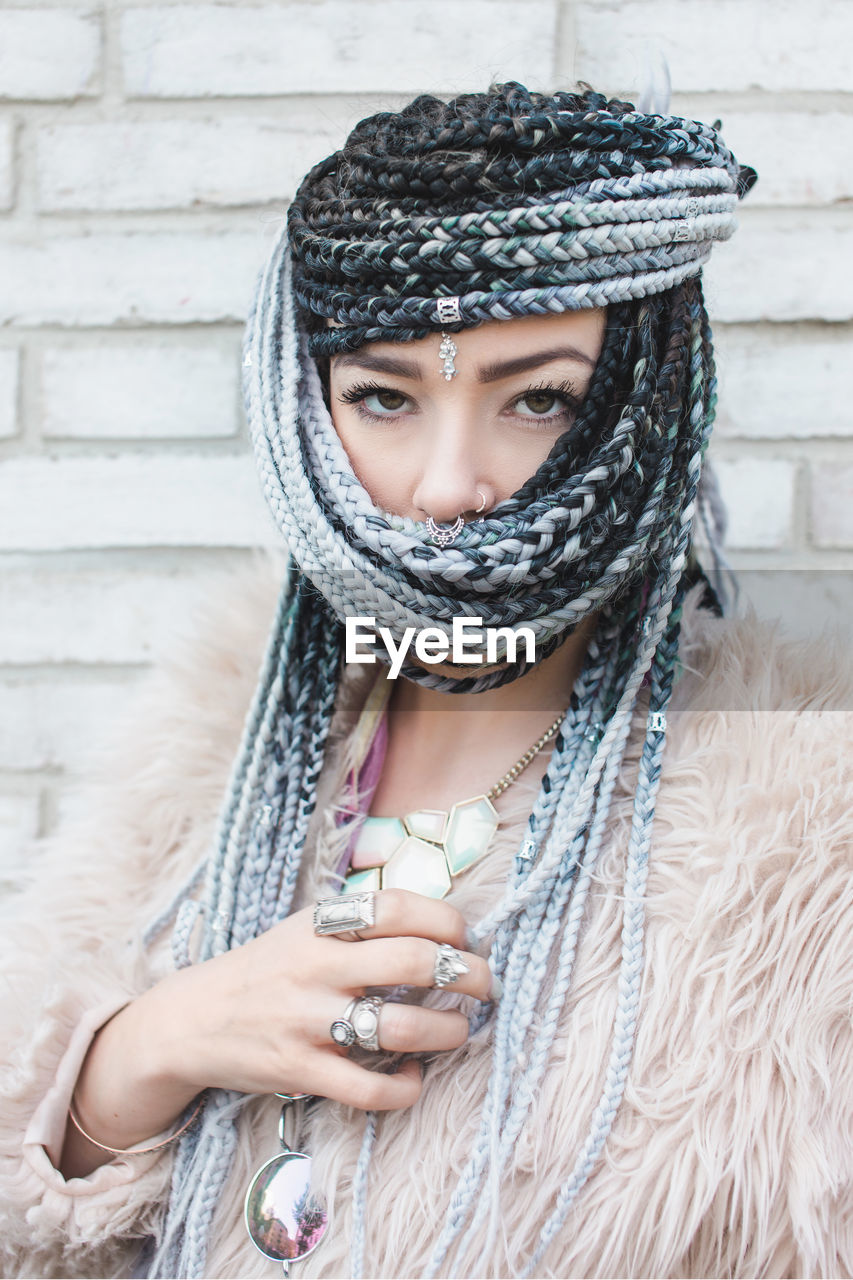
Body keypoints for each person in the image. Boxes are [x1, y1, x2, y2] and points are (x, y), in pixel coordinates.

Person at [1, 82, 851, 1280]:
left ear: (648, 405)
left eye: (539, 397)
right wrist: (152, 1046)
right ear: (306, 406)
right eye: (385, 397)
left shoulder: (808, 842)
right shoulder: (209, 731)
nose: (448, 485)